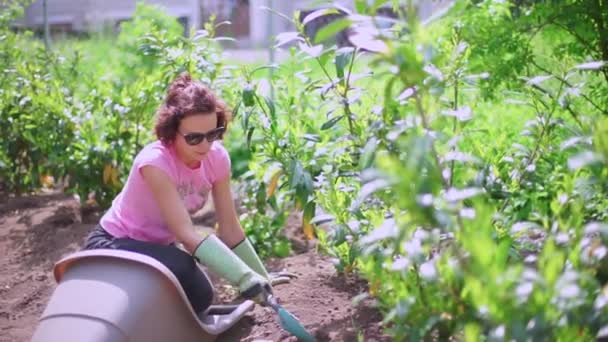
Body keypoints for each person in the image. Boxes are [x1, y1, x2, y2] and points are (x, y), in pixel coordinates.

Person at [82, 72, 292, 315]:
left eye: (212, 134)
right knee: (184, 270)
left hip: (156, 247)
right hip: (113, 243)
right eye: (194, 138)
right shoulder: (155, 163)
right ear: (172, 132)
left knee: (199, 295)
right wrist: (244, 278)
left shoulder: (217, 159)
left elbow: (230, 228)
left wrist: (261, 276)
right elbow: (186, 235)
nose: (205, 145)